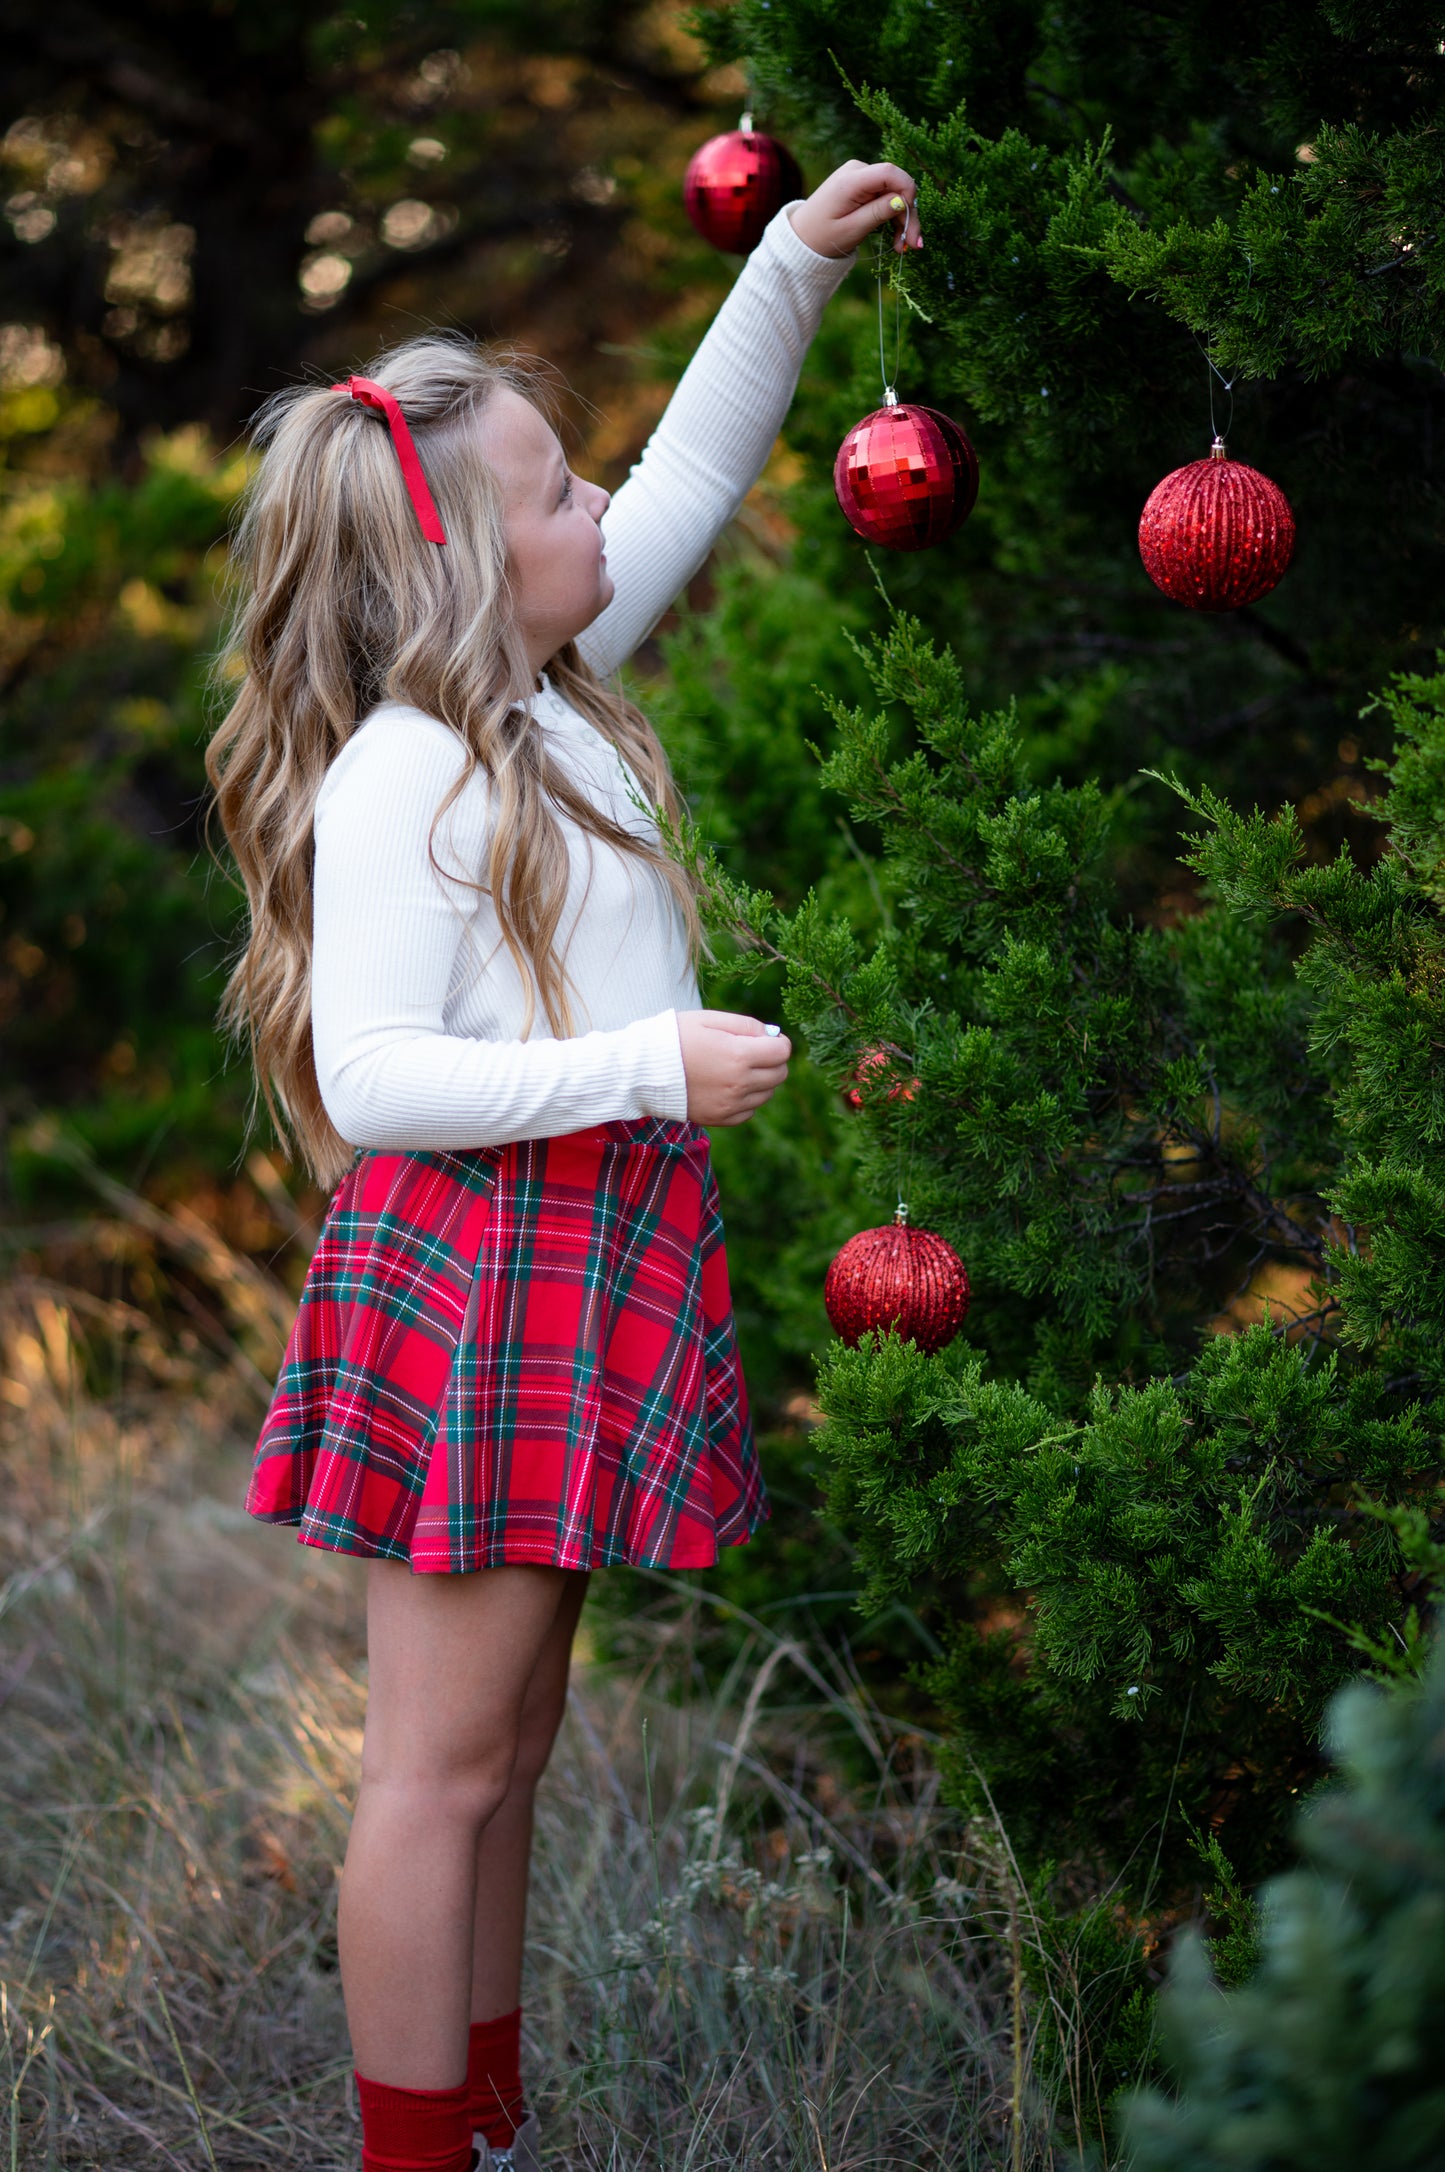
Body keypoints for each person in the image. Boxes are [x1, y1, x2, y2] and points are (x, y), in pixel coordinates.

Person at [207, 158, 922, 2172]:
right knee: (436, 1773)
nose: (601, 506)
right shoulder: (413, 769)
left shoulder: (541, 704)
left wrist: (790, 260)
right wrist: (645, 1068)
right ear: (461, 569)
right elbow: (371, 1081)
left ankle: (484, 2123)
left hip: (584, 1255)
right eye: (556, 494)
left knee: (509, 1751)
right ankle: (416, 2153)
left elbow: (686, 475)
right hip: (483, 1271)